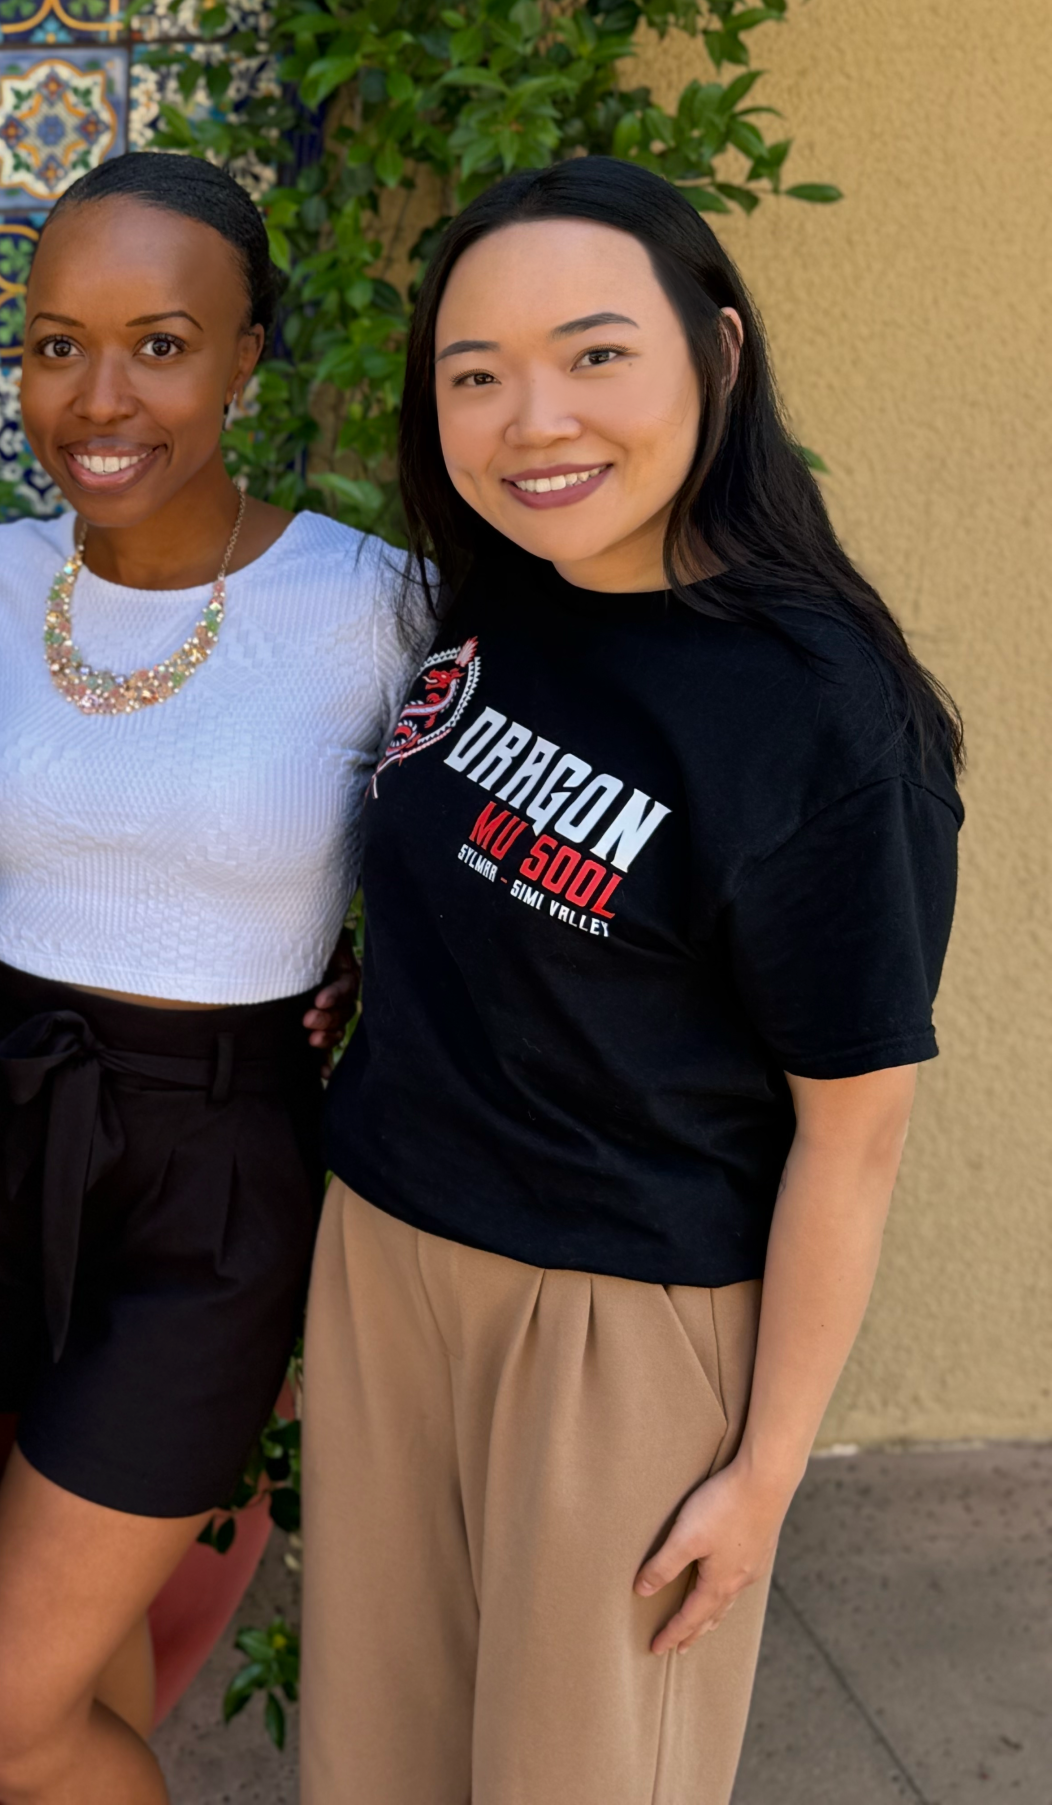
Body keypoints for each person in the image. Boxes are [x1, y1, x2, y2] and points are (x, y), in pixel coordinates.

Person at [303, 157, 961, 1804]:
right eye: (477, 374)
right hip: (389, 1260)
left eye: (596, 354)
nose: (534, 419)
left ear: (716, 361)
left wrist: (765, 1472)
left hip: (615, 1326)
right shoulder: (495, 601)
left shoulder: (820, 721)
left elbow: (855, 1136)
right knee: (373, 1765)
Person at [0, 152, 419, 1805]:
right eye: (58, 344)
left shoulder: (371, 605)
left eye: (162, 343)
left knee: (1, 1720)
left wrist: (382, 981)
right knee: (71, 1664)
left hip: (210, 1187)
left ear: (250, 355)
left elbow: (472, 871)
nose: (98, 397)